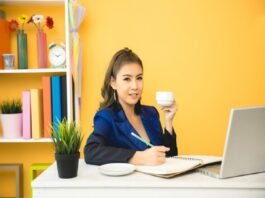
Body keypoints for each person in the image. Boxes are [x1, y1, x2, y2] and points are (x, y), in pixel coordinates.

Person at [84, 48, 178, 166]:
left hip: (156, 183)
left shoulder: (151, 113)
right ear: (113, 83)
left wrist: (168, 122)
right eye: (127, 79)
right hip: (128, 184)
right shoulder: (107, 117)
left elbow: (169, 158)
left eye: (139, 78)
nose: (135, 86)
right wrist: (138, 157)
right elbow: (91, 152)